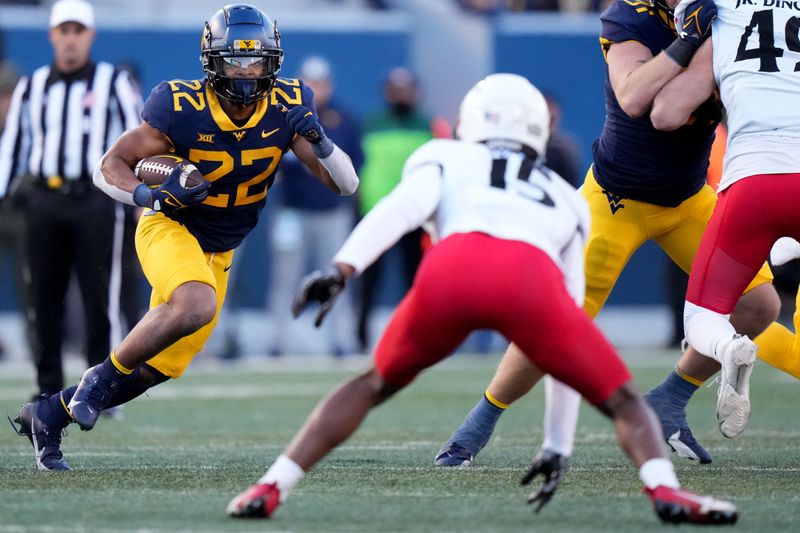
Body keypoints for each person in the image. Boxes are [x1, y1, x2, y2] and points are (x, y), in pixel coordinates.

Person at [226, 74, 738, 525]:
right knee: (625, 401)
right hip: (530, 282)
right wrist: (556, 445)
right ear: (537, 129)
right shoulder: (565, 197)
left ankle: (273, 484)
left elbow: (402, 209)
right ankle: (664, 489)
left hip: (454, 270)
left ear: (472, 120)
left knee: (371, 384)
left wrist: (343, 267)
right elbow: (566, 328)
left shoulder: (444, 153)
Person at [432, 0, 800, 471]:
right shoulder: (632, 15)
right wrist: (688, 42)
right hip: (615, 199)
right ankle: (476, 425)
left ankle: (668, 400)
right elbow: (632, 97)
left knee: (759, 305)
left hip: (688, 198)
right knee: (553, 320)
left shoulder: (726, 15)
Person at [9, 3, 359, 472]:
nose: (248, 71)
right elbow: (108, 167)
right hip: (169, 226)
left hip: (221, 249)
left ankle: (49, 415)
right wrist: (147, 198)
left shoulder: (289, 104)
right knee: (196, 305)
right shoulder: (179, 105)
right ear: (213, 61)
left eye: (256, 60)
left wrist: (319, 141)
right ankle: (96, 383)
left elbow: (345, 184)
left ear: (273, 61)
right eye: (235, 60)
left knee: (159, 366)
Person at [653, 0, 800, 434]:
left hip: (754, 181)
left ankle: (729, 347)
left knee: (702, 319)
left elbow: (668, 112)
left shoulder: (715, 8)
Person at [0, 0, 141, 398]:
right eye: (64, 31)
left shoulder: (113, 83)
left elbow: (137, 142)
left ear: (90, 36)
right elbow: (14, 147)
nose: (71, 40)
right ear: (52, 36)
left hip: (96, 199)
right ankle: (46, 387)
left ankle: (100, 390)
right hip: (44, 199)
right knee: (43, 299)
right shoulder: (34, 85)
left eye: (78, 31)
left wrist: (136, 197)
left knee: (100, 299)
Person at [267, 55, 363, 356]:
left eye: (320, 83)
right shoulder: (284, 115)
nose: (316, 88)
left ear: (329, 84)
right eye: (310, 82)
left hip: (332, 212)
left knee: (337, 277)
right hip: (292, 212)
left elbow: (355, 164)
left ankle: (340, 341)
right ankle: (276, 341)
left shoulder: (343, 118)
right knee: (284, 278)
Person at [356, 67, 431, 351]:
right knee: (369, 278)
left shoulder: (425, 123)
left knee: (413, 277)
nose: (401, 95)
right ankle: (360, 337)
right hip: (376, 209)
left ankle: (414, 335)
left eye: (406, 89)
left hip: (413, 212)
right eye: (396, 89)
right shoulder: (373, 122)